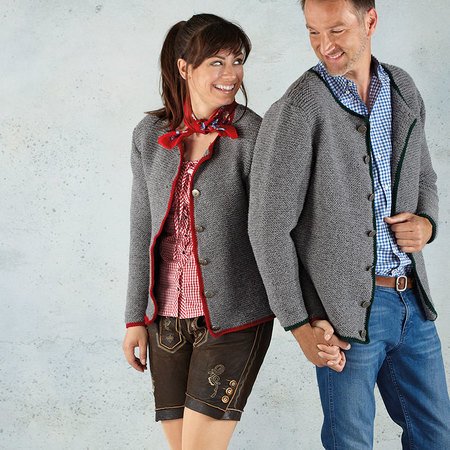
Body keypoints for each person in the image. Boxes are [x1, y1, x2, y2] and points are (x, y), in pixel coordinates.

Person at [122, 13, 345, 450]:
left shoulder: (254, 133)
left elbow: (286, 227)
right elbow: (140, 229)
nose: (231, 74)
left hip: (235, 318)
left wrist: (312, 311)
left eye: (237, 61)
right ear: (184, 67)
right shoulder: (149, 135)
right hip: (164, 319)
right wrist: (134, 318)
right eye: (216, 62)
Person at [248, 0, 450, 448]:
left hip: (413, 303)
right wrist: (299, 324)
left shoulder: (402, 88)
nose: (325, 45)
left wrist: (427, 223)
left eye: (336, 30)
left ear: (370, 20)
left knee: (438, 438)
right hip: (343, 318)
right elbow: (267, 228)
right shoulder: (298, 109)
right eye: (313, 32)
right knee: (351, 443)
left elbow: (424, 176)